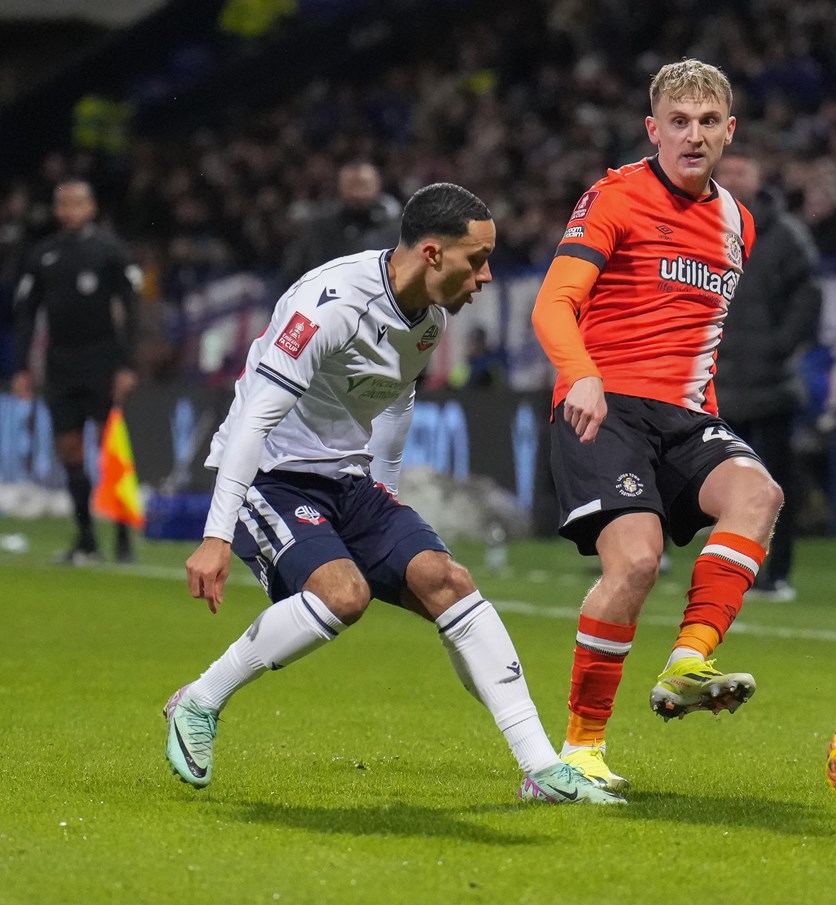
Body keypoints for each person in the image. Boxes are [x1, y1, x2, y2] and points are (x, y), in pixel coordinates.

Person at [163, 183, 622, 805]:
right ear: (432, 254)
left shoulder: (427, 319)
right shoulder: (328, 307)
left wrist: (385, 495)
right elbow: (254, 423)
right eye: (476, 260)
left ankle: (541, 769)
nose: (486, 276)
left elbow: (393, 405)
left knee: (448, 580)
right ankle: (199, 701)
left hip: (350, 481)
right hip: (271, 477)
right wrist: (216, 537)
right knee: (343, 596)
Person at [530, 59, 782, 793]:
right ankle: (577, 751)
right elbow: (553, 303)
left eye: (708, 123)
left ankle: (688, 660)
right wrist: (579, 371)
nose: (693, 136)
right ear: (653, 129)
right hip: (603, 406)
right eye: (678, 122)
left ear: (729, 132)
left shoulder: (738, 222)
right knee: (636, 561)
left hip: (686, 418)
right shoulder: (613, 197)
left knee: (758, 496)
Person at [711, 151, 823, 603]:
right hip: (718, 383)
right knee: (727, 488)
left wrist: (779, 346)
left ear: (758, 177)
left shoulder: (783, 234)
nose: (736, 178)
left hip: (770, 384)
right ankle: (737, 572)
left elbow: (808, 297)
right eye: (729, 171)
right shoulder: (698, 226)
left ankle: (775, 573)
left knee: (773, 485)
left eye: (743, 170)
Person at [11, 180, 142, 564]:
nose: (70, 210)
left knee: (108, 449)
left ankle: (122, 537)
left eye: (77, 203)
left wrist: (127, 364)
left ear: (91, 207)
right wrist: (23, 366)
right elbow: (25, 313)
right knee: (69, 449)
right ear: (56, 209)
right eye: (63, 204)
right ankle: (86, 537)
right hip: (60, 364)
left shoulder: (110, 250)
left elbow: (131, 309)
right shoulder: (43, 254)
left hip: (102, 362)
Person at [278, 161, 402, 288]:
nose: (358, 191)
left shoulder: (396, 232)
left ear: (377, 186)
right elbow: (293, 274)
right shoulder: (318, 230)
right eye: (352, 184)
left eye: (363, 184)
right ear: (340, 186)